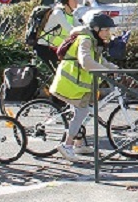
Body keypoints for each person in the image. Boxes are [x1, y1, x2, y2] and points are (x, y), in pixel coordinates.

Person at [49, 12, 119, 161]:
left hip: (79, 85)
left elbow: (100, 60)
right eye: (105, 30)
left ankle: (78, 144)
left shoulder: (94, 40)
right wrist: (106, 71)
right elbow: (86, 61)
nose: (108, 33)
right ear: (96, 29)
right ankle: (67, 145)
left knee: (84, 112)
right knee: (82, 111)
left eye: (109, 30)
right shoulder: (85, 39)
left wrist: (114, 68)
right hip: (71, 83)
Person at [35, 0, 80, 71]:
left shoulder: (71, 15)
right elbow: (71, 30)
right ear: (65, 0)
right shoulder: (58, 13)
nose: (76, 2)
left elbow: (81, 27)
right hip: (45, 48)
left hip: (56, 48)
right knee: (60, 72)